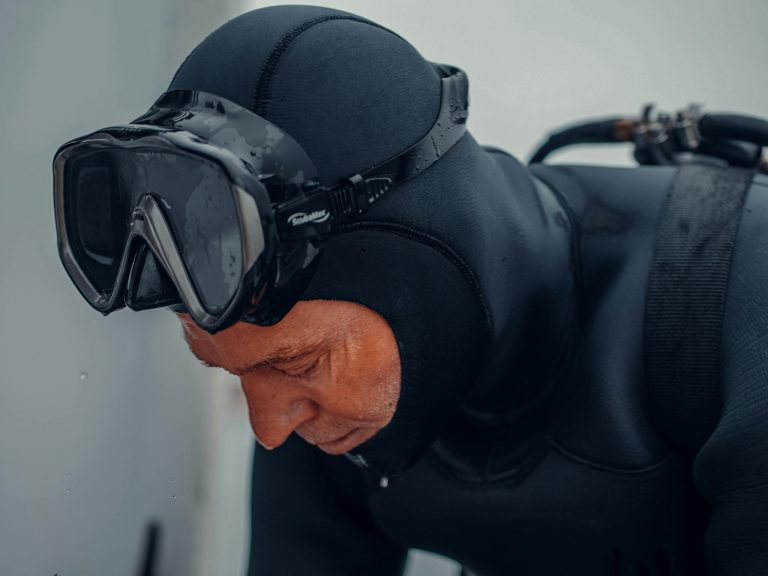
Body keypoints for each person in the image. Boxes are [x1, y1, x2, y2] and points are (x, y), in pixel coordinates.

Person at [53, 5, 768, 575]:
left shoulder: (733, 300)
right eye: (236, 375)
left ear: (424, 288)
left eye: (293, 365)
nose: (272, 426)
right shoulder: (334, 402)